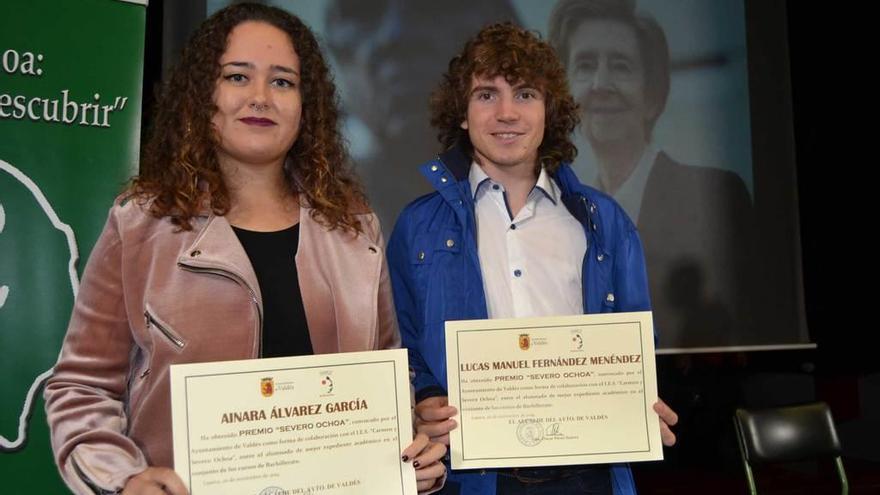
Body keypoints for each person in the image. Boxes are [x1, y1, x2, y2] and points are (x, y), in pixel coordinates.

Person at [43, 4, 444, 494]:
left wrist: (408, 452)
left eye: (282, 82)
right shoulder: (140, 225)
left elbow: (386, 375)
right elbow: (81, 390)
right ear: (201, 94)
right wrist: (124, 479)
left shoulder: (355, 229)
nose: (260, 98)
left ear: (306, 104)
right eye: (237, 77)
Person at [387, 22, 677, 495]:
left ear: (549, 111)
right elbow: (403, 346)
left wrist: (640, 401)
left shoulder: (604, 221)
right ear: (461, 113)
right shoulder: (417, 226)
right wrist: (424, 400)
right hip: (474, 478)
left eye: (524, 94)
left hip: (590, 475)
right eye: (486, 95)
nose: (506, 113)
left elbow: (636, 339)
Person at [548, 0, 756, 347]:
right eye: (585, 65)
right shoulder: (556, 211)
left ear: (653, 96)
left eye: (621, 66)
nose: (601, 83)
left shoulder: (715, 194)